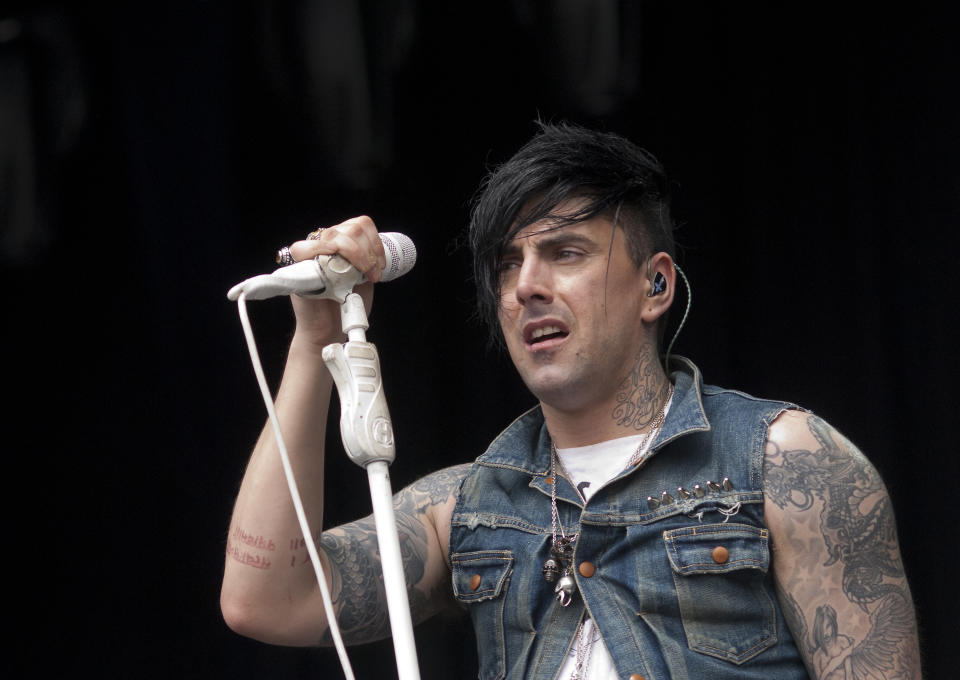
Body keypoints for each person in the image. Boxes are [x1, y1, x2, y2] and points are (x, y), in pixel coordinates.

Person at [220, 123, 921, 679]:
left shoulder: (786, 460)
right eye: (506, 264)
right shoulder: (468, 503)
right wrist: (314, 340)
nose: (525, 285)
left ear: (657, 286)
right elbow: (267, 601)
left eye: (565, 252)